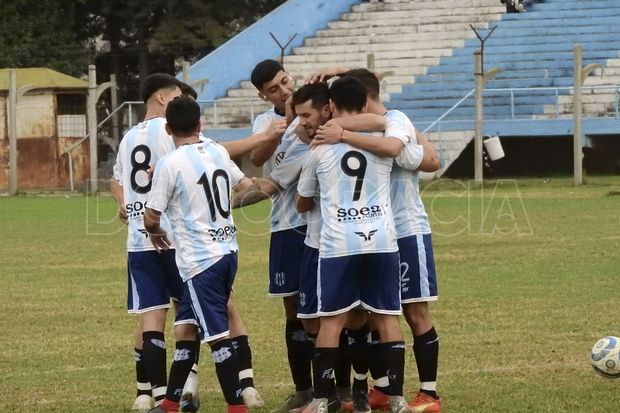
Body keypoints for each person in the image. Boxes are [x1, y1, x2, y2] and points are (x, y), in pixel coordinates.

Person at [308, 67, 442, 413]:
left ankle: (428, 393)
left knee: (411, 311)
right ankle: (381, 389)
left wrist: (343, 133)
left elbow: (430, 159)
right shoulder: (342, 133)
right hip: (376, 236)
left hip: (405, 228)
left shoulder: (395, 120)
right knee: (364, 315)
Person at [297, 77, 411, 413]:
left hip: (338, 243)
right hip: (381, 240)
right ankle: (396, 397)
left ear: (330, 106)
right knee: (387, 317)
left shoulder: (319, 148)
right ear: (365, 105)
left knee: (331, 322)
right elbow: (398, 143)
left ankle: (320, 400)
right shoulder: (383, 138)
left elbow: (303, 202)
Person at [144, 95, 256, 413]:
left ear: (167, 129)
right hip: (228, 252)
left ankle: (237, 406)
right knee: (186, 328)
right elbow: (246, 185)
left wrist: (156, 232)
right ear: (200, 124)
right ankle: (168, 404)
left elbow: (152, 215)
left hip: (201, 261)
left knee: (217, 336)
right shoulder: (218, 151)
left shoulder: (170, 163)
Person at [110, 73, 184, 412]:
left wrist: (125, 203)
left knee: (151, 319)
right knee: (187, 314)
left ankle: (154, 393)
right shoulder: (172, 131)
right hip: (174, 236)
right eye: (179, 97)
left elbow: (116, 181)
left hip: (139, 241)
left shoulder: (127, 138)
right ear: (163, 100)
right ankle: (185, 389)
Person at [247, 59, 318, 412]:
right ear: (264, 96)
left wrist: (299, 116)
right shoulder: (266, 123)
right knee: (292, 309)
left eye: (284, 81)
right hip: (284, 224)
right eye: (274, 89)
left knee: (327, 308)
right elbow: (258, 156)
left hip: (318, 222)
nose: (284, 90)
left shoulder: (313, 104)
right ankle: (303, 388)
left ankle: (341, 388)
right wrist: (285, 125)